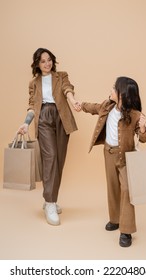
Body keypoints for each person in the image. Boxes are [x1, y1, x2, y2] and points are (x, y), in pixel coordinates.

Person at [80, 76, 146, 247]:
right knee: (112, 187)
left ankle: (126, 231)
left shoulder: (135, 115)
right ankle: (115, 219)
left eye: (114, 88)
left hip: (126, 158)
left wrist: (142, 127)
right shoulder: (107, 106)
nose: (110, 90)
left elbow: (144, 138)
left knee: (126, 189)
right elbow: (93, 107)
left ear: (122, 94)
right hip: (108, 153)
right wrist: (80, 105)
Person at [17, 48, 81, 226]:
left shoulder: (61, 75)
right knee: (50, 157)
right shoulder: (34, 83)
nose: (47, 63)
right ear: (37, 64)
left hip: (62, 118)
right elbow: (32, 105)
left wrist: (73, 101)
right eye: (43, 61)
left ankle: (50, 200)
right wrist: (26, 123)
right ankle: (50, 203)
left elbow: (68, 89)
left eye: (49, 60)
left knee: (59, 160)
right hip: (44, 117)